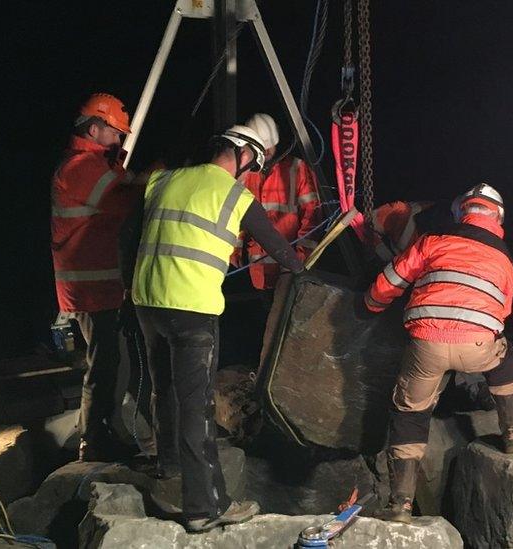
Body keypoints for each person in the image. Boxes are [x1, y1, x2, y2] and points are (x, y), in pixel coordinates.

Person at [131, 123, 306, 533]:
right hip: (192, 307)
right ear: (245, 156)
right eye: (253, 166)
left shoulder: (163, 179)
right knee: (198, 408)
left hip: (146, 300)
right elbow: (279, 248)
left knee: (164, 389)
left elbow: (130, 239)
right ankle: (203, 507)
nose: (251, 175)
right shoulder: (235, 195)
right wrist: (301, 269)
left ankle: (169, 466)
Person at [361, 183, 513, 523]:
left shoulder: (432, 242)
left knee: (409, 412)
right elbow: (502, 311)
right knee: (503, 357)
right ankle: (511, 435)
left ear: (461, 212)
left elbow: (387, 283)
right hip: (478, 347)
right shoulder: (505, 259)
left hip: (427, 347)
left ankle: (401, 504)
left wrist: (370, 306)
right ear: (498, 217)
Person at [51, 92, 148, 462]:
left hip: (101, 286)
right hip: (88, 289)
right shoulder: (79, 167)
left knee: (111, 362)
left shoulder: (94, 165)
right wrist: (153, 177)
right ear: (95, 128)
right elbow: (122, 203)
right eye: (116, 133)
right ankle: (92, 442)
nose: (121, 140)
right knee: (104, 365)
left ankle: (100, 434)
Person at [369, 199, 496, 411]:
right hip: (454, 296)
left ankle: (442, 397)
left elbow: (400, 269)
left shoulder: (420, 232)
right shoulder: (410, 215)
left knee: (434, 353)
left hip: (437, 295)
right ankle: (476, 388)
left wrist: (372, 302)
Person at [231, 113, 321, 294]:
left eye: (268, 147)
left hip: (290, 271)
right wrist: (235, 252)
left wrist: (300, 259)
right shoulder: (244, 174)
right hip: (254, 272)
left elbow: (313, 216)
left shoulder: (297, 168)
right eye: (261, 148)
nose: (265, 152)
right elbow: (234, 215)